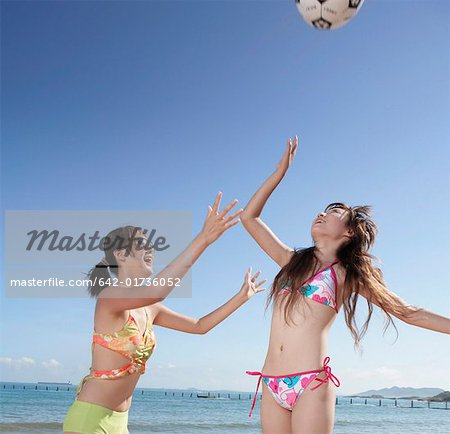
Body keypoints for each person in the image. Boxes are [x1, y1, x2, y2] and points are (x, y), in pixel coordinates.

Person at [240, 136, 450, 434]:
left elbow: (408, 312)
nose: (321, 214)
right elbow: (249, 218)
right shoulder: (289, 260)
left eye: (332, 213)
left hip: (311, 382)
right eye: (321, 211)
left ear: (349, 232)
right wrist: (279, 173)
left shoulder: (347, 275)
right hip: (270, 382)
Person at [63, 192, 267, 434]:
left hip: (120, 421)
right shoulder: (109, 297)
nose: (150, 248)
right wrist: (204, 238)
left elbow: (199, 326)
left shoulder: (150, 308)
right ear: (121, 254)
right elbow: (158, 291)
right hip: (90, 419)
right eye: (141, 243)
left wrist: (241, 298)